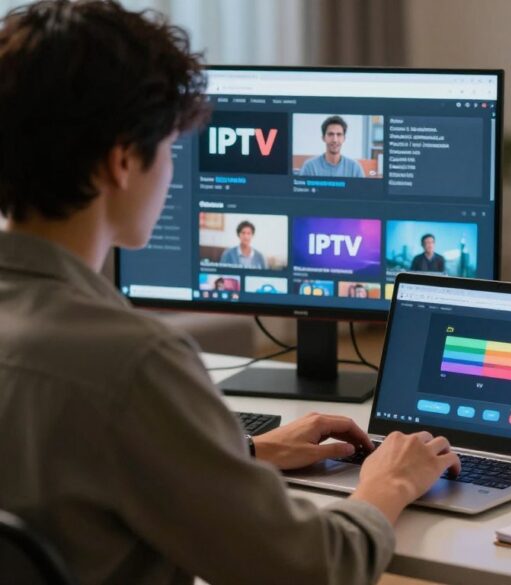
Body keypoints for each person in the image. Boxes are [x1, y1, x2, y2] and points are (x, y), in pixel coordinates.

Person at [0, 3, 459, 585]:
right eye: (171, 149)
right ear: (122, 161)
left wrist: (245, 452)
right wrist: (390, 482)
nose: (172, 172)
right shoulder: (134, 363)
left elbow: (79, 467)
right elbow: (313, 570)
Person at [298, 115, 367, 178]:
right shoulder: (310, 167)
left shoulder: (355, 168)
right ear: (323, 138)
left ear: (344, 138)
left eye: (339, 134)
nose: (335, 140)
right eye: (330, 134)